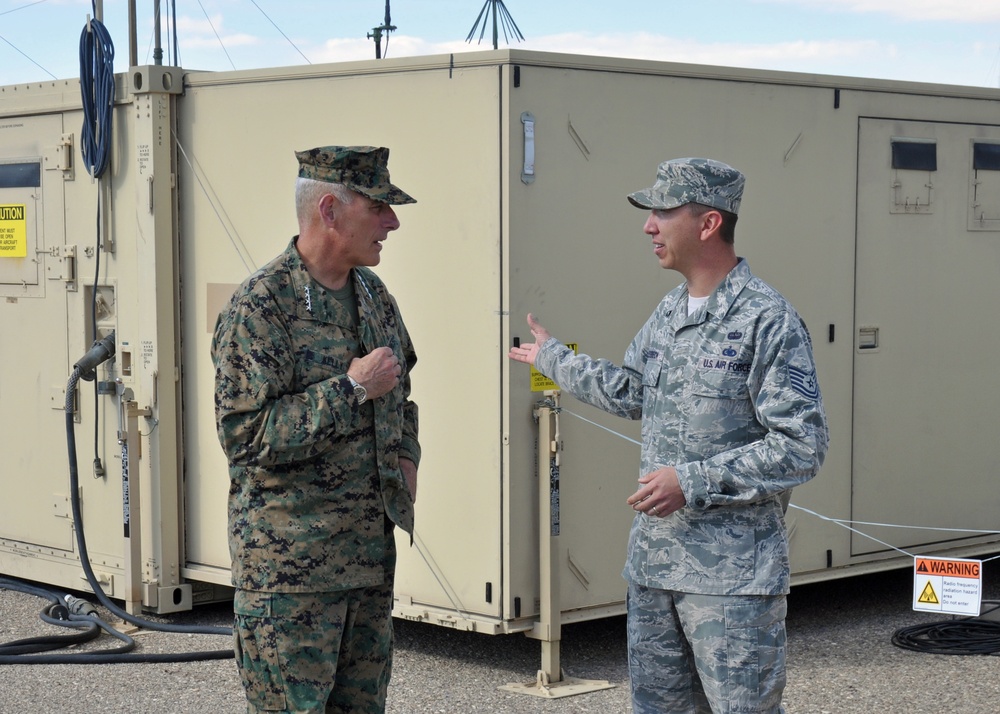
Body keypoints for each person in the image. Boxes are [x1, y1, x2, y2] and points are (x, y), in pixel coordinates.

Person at [508, 157, 828, 714]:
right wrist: (555, 360)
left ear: (708, 224)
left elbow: (802, 445)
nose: (648, 226)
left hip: (730, 584)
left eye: (662, 211)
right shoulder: (669, 312)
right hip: (655, 569)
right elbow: (635, 391)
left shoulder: (767, 320)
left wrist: (691, 480)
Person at [212, 145, 420, 714]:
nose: (392, 222)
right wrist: (349, 390)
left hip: (367, 567)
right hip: (291, 579)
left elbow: (403, 396)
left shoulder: (373, 295)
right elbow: (246, 435)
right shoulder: (261, 308)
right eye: (379, 206)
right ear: (329, 210)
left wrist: (406, 458)